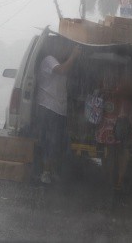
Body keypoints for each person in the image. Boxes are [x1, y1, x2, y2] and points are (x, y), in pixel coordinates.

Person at [36, 42, 80, 184]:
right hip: (48, 107)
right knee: (49, 141)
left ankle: (52, 171)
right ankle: (45, 172)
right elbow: (61, 70)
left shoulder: (62, 62)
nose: (65, 50)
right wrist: (73, 56)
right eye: (63, 46)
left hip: (59, 109)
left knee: (57, 142)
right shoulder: (49, 60)